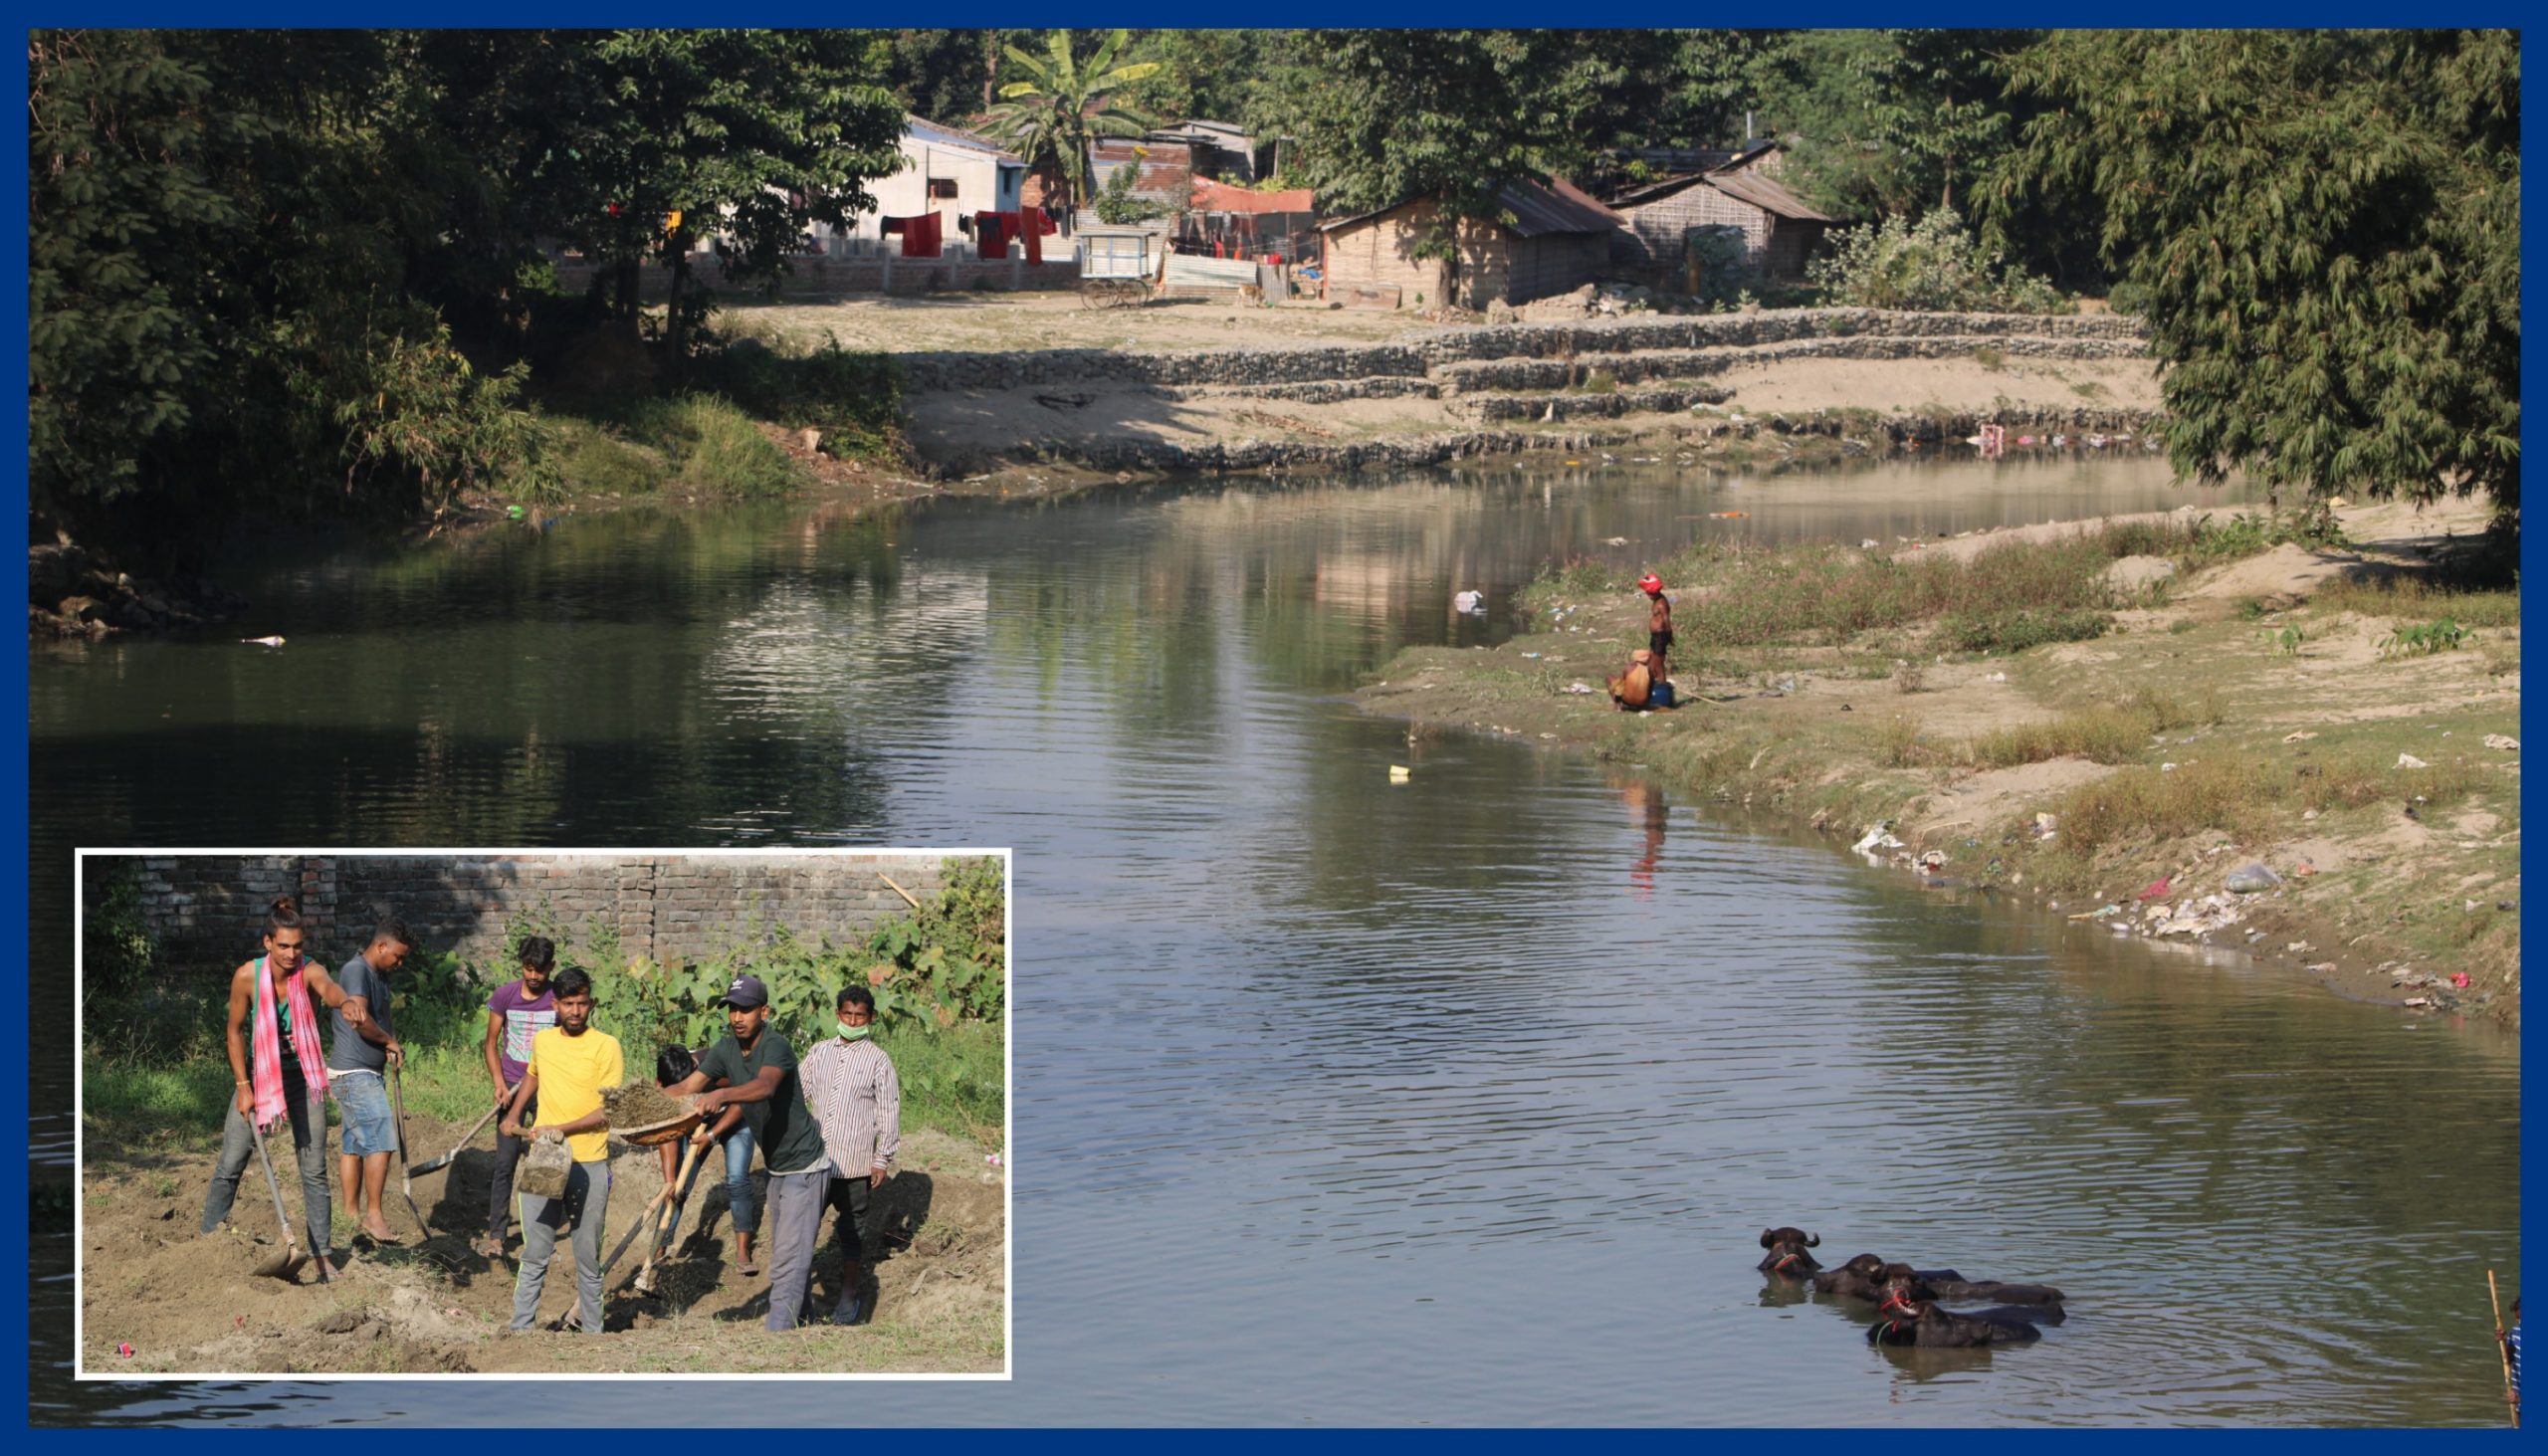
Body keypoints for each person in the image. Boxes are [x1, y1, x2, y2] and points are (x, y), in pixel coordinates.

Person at [200, 896, 363, 1281]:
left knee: (313, 1169)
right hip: (259, 1077)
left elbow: (329, 988)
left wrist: (347, 1003)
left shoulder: (308, 971)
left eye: (299, 946)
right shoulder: (246, 977)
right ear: (268, 942)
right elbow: (233, 1033)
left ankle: (322, 1255)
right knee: (232, 1162)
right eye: (284, 946)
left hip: (304, 1077)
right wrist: (243, 1086)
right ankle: (207, 1241)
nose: (292, 954)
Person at [668, 974, 831, 1331]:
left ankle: (778, 1332)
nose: (737, 1017)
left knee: (788, 1256)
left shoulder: (776, 1046)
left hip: (805, 1166)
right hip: (778, 1168)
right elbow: (687, 1087)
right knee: (793, 1252)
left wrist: (721, 1095)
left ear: (764, 1011)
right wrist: (640, 1104)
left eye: (746, 1010)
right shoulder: (726, 1049)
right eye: (732, 1010)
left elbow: (765, 1086)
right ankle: (804, 1324)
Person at [501, 967, 622, 1334]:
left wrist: (561, 1129)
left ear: (592, 1004)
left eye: (582, 1003)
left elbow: (608, 1109)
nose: (575, 1011)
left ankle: (593, 1336)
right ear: (555, 1005)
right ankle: (520, 1329)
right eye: (568, 1004)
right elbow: (533, 1076)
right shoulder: (544, 1041)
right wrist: (515, 1112)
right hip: (546, 1157)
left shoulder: (607, 1046)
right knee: (535, 1250)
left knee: (587, 1255)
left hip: (589, 1159)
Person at [799, 984, 902, 1326]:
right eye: (848, 1014)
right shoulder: (819, 1052)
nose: (853, 1020)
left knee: (851, 1231)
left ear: (870, 1018)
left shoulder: (878, 1060)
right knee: (804, 1228)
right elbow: (799, 1095)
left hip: (855, 1163)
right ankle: (799, 1299)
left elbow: (889, 1111)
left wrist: (881, 1159)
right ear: (838, 1015)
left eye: (860, 1016)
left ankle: (848, 1297)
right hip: (816, 1159)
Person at [327, 917, 413, 1248]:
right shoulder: (357, 970)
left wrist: (386, 1047)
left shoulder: (376, 976)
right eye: (398, 956)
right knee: (381, 1138)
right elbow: (359, 1020)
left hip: (359, 1072)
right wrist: (389, 1042)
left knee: (354, 1146)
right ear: (381, 945)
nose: (400, 963)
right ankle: (373, 1215)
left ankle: (349, 1217)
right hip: (355, 1073)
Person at [478, 936, 557, 1259]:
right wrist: (498, 1081)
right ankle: (497, 1236)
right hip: (511, 1088)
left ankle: (540, 1239)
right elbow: (490, 1042)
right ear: (521, 965)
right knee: (505, 1162)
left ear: (551, 967)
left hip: (548, 1090)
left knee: (545, 1165)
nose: (534, 977)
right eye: (529, 969)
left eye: (540, 970)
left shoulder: (558, 998)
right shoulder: (505, 995)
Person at [1638, 572, 1674, 683]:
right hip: (1655, 636)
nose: (1648, 596)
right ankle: (1654, 686)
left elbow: (1666, 620)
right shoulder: (1656, 601)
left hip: (1661, 636)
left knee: (1658, 665)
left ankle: (1662, 689)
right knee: (1652, 663)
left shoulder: (1662, 604)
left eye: (1649, 594)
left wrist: (1669, 636)